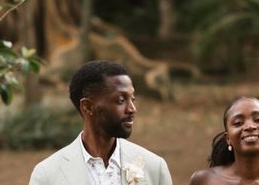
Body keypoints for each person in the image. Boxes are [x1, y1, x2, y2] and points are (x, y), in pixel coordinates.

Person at [29, 60, 173, 185]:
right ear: (88, 107)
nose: (132, 109)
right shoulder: (47, 176)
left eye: (132, 99)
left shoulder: (154, 167)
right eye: (121, 100)